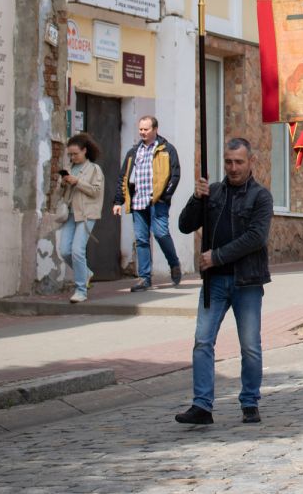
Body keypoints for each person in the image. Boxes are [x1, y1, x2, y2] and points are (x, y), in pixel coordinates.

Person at [174, 138, 273, 426]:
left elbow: (256, 237)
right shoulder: (213, 192)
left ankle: (250, 400)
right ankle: (202, 405)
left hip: (247, 281)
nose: (233, 167)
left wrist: (217, 257)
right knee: (202, 341)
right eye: (228, 161)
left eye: (239, 162)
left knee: (250, 345)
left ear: (250, 162)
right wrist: (196, 198)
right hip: (214, 282)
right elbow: (184, 225)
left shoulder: (260, 197)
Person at [113, 115, 182, 291]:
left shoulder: (167, 149)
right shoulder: (133, 152)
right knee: (141, 240)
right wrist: (118, 201)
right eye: (141, 129)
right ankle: (144, 278)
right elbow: (124, 177)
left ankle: (174, 263)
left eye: (146, 129)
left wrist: (166, 196)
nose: (142, 132)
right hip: (137, 201)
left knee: (160, 233)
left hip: (157, 200)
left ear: (155, 129)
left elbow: (175, 174)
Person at [55, 133, 105, 304]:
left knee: (77, 250)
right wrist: (63, 184)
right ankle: (86, 273)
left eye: (75, 153)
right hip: (69, 213)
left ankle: (81, 290)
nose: (73, 157)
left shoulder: (94, 169)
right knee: (64, 251)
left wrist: (77, 182)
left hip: (86, 214)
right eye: (70, 154)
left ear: (85, 151)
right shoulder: (69, 167)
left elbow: (96, 192)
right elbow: (60, 193)